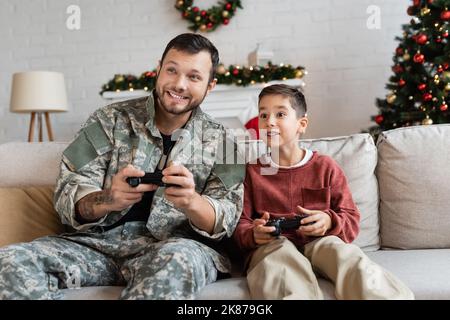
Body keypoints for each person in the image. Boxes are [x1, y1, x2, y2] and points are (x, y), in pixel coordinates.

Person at [0, 33, 245, 300]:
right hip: (96, 247)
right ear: (158, 69)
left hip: (173, 249)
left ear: (210, 86)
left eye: (194, 77)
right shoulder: (108, 120)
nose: (179, 84)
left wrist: (192, 202)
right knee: (9, 261)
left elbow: (227, 219)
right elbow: (68, 191)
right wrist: (108, 199)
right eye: (171, 70)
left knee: (175, 260)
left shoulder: (225, 144)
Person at [233, 84, 414, 300]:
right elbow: (239, 224)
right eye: (263, 114)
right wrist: (253, 233)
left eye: (280, 114)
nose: (269, 121)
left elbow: (351, 217)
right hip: (273, 245)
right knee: (278, 264)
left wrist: (328, 221)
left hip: (320, 242)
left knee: (347, 257)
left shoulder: (325, 166)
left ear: (302, 124)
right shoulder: (252, 172)